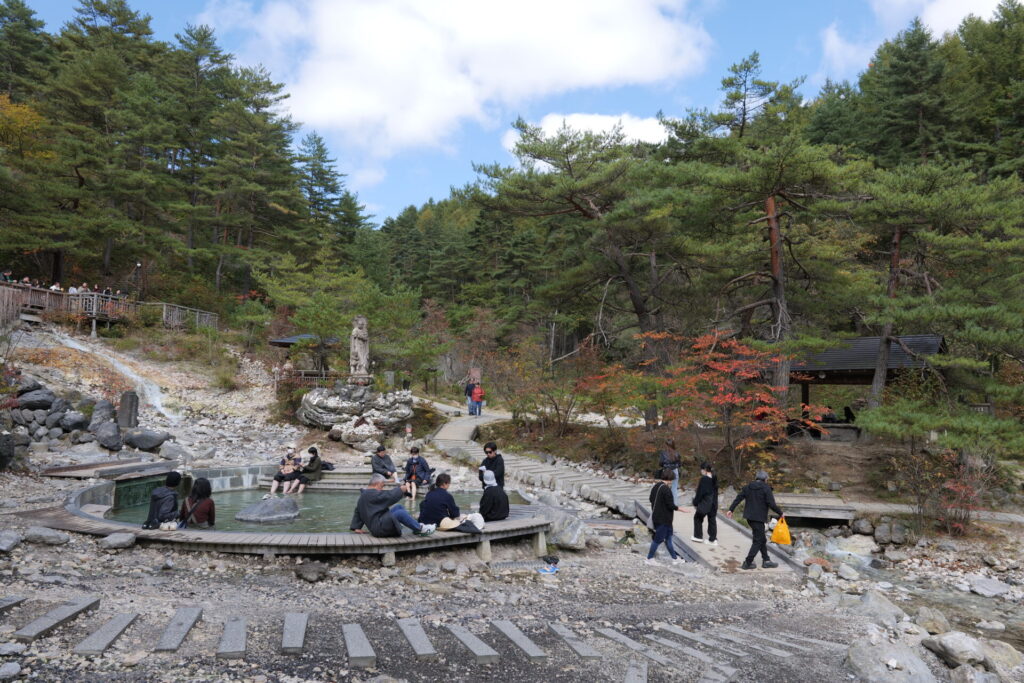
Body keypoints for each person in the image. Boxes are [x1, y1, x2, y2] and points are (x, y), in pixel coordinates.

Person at [727, 470, 784, 570]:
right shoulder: (766, 488)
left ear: (756, 478)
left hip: (749, 517)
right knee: (758, 540)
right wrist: (781, 513)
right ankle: (747, 563)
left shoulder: (748, 487)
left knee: (761, 538)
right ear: (765, 479)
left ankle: (766, 560)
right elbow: (771, 503)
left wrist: (731, 509)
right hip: (759, 518)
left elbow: (739, 498)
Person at [351, 474, 436, 537]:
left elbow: (357, 511)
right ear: (378, 484)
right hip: (380, 529)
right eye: (382, 486)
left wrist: (356, 527)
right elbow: (389, 496)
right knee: (399, 513)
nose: (382, 488)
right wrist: (400, 490)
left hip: (377, 525)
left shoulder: (364, 495)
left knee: (398, 507)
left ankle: (413, 527)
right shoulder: (371, 494)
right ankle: (421, 529)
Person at [646, 468, 687, 565]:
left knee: (668, 538)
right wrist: (681, 509)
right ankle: (649, 558)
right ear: (670, 479)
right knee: (657, 539)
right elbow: (671, 505)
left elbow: (651, 499)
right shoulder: (666, 490)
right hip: (664, 519)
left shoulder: (656, 486)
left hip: (658, 517)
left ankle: (674, 558)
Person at [691, 462, 718, 545]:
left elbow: (700, 493)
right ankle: (713, 539)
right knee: (712, 520)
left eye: (702, 469)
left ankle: (698, 536)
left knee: (697, 518)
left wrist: (695, 502)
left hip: (705, 503)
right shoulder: (714, 477)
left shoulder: (704, 479)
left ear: (705, 470)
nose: (701, 471)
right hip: (713, 503)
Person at [658, 438, 682, 505]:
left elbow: (660, 463)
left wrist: (666, 465)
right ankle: (674, 504)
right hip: (675, 471)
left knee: (664, 487)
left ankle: (665, 504)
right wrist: (674, 466)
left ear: (666, 445)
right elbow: (679, 464)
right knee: (674, 488)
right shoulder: (677, 453)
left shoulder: (663, 453)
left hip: (666, 471)